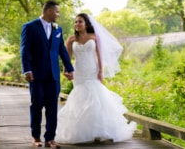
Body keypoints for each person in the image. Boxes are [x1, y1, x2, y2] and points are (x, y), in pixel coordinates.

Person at [55, 13, 137, 144]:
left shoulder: (94, 37)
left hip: (92, 70)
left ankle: (99, 131)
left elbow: (99, 55)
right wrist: (66, 70)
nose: (77, 24)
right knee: (80, 97)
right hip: (79, 72)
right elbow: (67, 57)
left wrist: (100, 72)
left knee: (95, 98)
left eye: (80, 22)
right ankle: (82, 132)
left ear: (86, 24)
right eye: (75, 22)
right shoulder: (71, 39)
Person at [20, 0, 74, 148]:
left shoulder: (58, 29)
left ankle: (50, 139)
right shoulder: (30, 27)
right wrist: (27, 69)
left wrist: (70, 68)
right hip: (36, 75)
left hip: (53, 76)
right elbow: (25, 50)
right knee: (36, 106)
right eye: (57, 11)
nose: (58, 14)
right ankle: (36, 138)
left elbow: (61, 50)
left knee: (52, 108)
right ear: (48, 11)